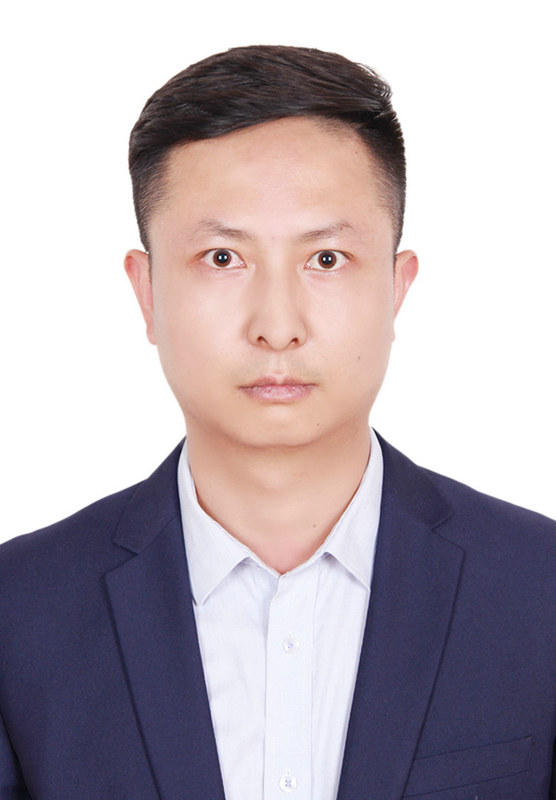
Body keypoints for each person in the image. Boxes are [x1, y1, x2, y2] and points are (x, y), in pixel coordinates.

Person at [0, 44, 554, 800]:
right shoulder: (19, 613)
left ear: (396, 289)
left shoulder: (540, 591)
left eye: (326, 259)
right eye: (222, 258)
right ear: (147, 292)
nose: (277, 326)